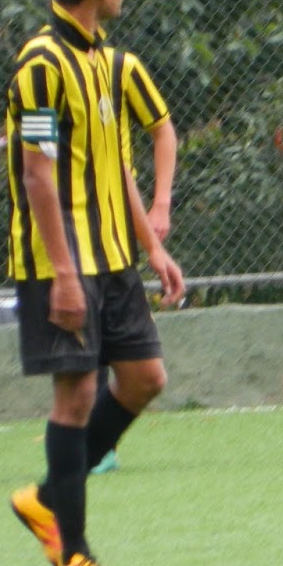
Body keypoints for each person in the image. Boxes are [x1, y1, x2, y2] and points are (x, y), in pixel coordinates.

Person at [5, 0, 184, 566]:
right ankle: (73, 556)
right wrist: (62, 273)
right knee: (76, 393)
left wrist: (152, 245)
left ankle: (48, 499)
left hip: (112, 258)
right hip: (62, 260)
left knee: (144, 378)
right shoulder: (40, 65)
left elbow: (116, 167)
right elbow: (37, 174)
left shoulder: (107, 62)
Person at [91, 46, 178, 475]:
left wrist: (159, 206)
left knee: (135, 361)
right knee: (81, 351)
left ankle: (94, 445)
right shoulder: (44, 67)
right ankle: (90, 448)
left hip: (116, 231)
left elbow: (163, 132)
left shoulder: (120, 67)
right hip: (65, 235)